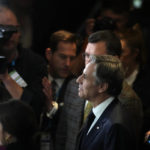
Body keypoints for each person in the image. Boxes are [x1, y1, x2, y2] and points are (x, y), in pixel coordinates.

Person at [63, 30, 143, 150]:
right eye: (86, 56)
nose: (88, 62)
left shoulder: (127, 104)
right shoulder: (79, 88)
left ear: (112, 60)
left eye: (95, 58)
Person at [75, 55, 136, 150]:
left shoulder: (116, 126)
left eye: (85, 76)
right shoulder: (96, 113)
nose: (78, 80)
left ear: (102, 87)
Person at [0, 6, 48, 121]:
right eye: (1, 29)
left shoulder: (35, 63)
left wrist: (6, 77)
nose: (8, 35)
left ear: (19, 31)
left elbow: (35, 108)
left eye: (11, 29)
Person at [41, 30, 77, 149]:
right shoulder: (36, 78)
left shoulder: (78, 87)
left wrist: (51, 107)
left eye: (72, 58)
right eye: (62, 57)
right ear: (49, 54)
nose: (67, 64)